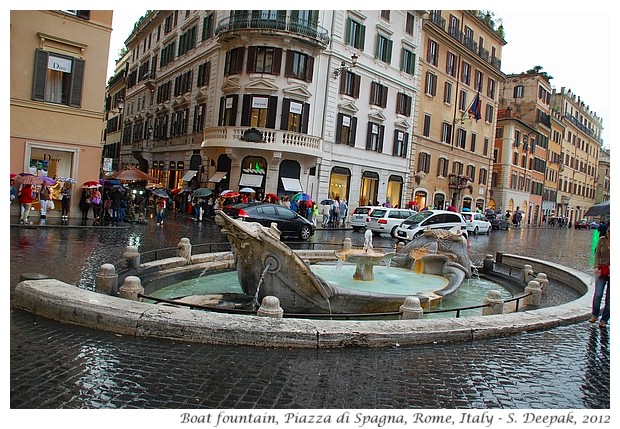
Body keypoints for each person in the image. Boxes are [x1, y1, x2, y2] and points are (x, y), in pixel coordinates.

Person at [590, 227, 610, 328]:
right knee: (598, 294)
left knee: (610, 299)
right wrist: (596, 266)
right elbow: (597, 254)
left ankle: (604, 320)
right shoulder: (602, 240)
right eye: (609, 231)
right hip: (601, 270)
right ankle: (595, 314)